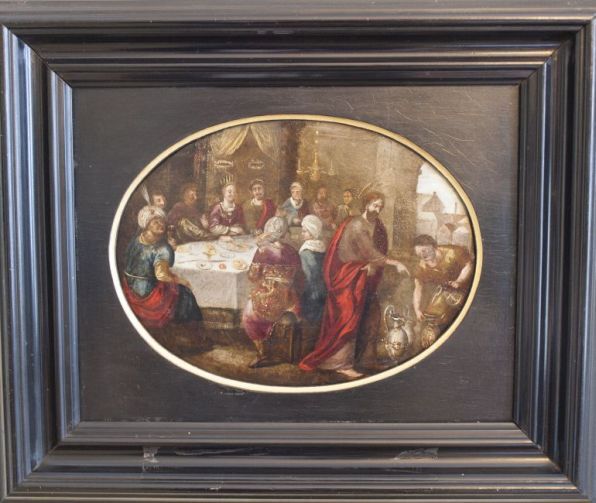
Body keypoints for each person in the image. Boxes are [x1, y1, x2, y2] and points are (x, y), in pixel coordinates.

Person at [299, 191, 409, 379]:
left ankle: (367, 359)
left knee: (371, 315)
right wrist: (396, 263)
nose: (378, 209)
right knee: (348, 318)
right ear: (366, 204)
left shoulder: (377, 225)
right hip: (347, 276)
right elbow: (370, 252)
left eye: (380, 206)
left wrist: (372, 265)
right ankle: (340, 363)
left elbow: (374, 253)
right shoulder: (357, 224)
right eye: (375, 205)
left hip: (363, 276)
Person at [122, 206, 202, 328]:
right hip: (147, 295)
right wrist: (182, 281)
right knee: (185, 293)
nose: (161, 224)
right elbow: (162, 276)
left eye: (161, 221)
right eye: (155, 222)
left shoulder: (136, 240)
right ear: (146, 225)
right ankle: (190, 328)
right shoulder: (162, 248)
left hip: (129, 288)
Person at [242, 217, 302, 368]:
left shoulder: (263, 251)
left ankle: (263, 353)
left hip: (270, 297)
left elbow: (252, 276)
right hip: (289, 298)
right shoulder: (292, 251)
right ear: (284, 233)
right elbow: (298, 276)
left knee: (248, 316)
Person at [412, 234, 473, 344]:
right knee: (433, 319)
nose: (423, 255)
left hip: (467, 291)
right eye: (419, 254)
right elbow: (418, 288)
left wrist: (459, 281)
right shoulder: (422, 266)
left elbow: (468, 265)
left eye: (424, 251)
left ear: (434, 246)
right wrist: (417, 309)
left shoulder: (453, 252)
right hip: (446, 294)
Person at [299, 215, 327, 324]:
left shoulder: (306, 252)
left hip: (311, 290)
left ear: (312, 232)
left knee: (310, 319)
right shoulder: (321, 246)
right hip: (323, 287)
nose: (302, 233)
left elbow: (307, 275)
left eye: (304, 231)